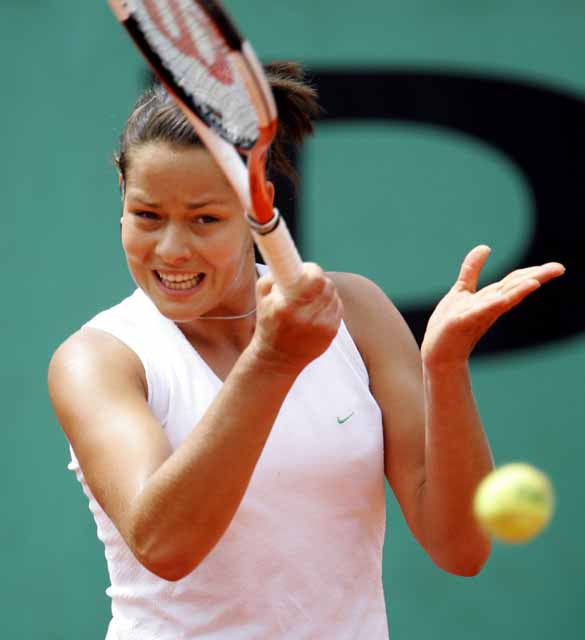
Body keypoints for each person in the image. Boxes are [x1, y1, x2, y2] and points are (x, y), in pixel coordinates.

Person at [48, 62, 565, 640]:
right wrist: (272, 361)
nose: (171, 249)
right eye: (147, 215)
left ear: (257, 206)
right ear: (121, 192)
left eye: (204, 219)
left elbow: (460, 546)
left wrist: (444, 368)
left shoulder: (359, 311)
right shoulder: (97, 359)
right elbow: (164, 545)